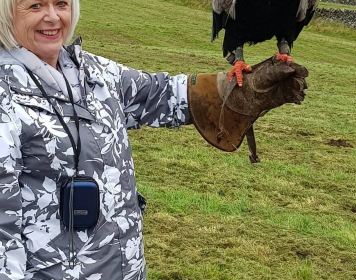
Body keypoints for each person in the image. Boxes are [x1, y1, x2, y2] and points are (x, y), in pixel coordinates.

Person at [0, 0, 308, 279]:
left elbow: (158, 94)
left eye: (61, 4)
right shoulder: (5, 96)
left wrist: (234, 91)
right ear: (7, 12)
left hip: (124, 268)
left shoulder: (91, 72)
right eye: (35, 6)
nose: (52, 17)